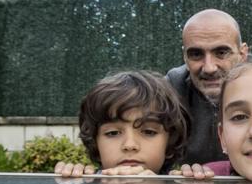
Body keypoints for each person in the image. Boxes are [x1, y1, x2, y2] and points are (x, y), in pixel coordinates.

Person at [55, 71, 189, 176]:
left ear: (170, 142)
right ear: (95, 143)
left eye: (149, 132)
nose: (129, 145)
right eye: (113, 133)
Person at [166, 9, 249, 165]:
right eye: (196, 54)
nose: (209, 68)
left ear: (243, 54)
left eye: (221, 52)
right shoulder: (170, 90)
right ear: (185, 57)